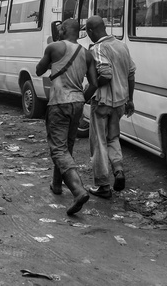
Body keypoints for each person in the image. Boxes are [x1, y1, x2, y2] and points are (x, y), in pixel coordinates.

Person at [35, 19, 98, 216]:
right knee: (66, 145)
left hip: (59, 102)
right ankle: (56, 184)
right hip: (77, 103)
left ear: (61, 30)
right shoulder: (86, 53)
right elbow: (94, 84)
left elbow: (39, 70)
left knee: (58, 148)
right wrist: (80, 99)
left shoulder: (54, 47)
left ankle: (78, 191)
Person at [84, 15, 136, 199]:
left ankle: (103, 185)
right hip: (120, 103)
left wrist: (88, 91)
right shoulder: (121, 45)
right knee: (113, 137)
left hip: (102, 104)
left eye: (88, 32)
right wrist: (130, 99)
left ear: (91, 31)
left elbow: (105, 74)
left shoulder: (97, 48)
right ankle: (118, 169)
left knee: (99, 142)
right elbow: (131, 74)